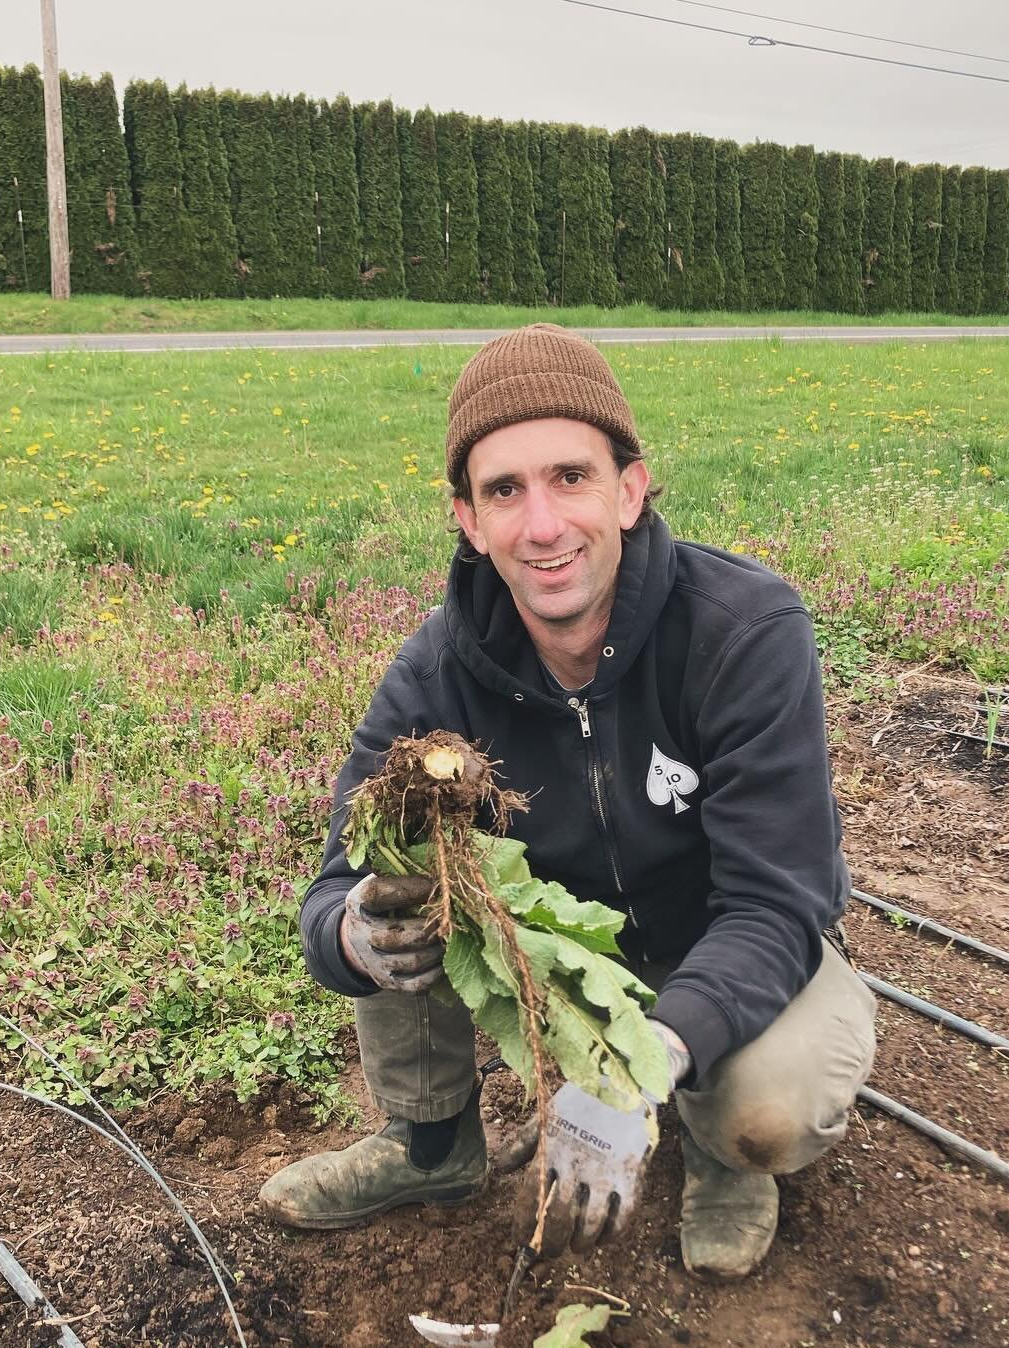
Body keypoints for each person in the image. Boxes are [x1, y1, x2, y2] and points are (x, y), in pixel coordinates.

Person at [260, 323, 876, 1280]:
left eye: (571, 477)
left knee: (769, 1106)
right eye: (504, 490)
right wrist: (351, 935)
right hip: (559, 954)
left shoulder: (743, 633)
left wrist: (641, 1065)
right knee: (400, 875)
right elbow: (331, 889)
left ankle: (722, 1155)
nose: (542, 525)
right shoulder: (436, 675)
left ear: (629, 489)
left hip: (717, 937)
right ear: (467, 518)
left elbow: (776, 902)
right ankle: (431, 1147)